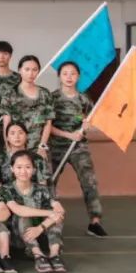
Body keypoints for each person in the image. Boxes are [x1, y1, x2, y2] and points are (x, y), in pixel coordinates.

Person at [49, 61, 107, 237]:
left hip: (78, 147)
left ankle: (95, 221)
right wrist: (68, 135)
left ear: (78, 76)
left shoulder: (84, 99)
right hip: (55, 146)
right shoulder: (51, 98)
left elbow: (90, 120)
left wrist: (88, 124)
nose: (69, 77)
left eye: (73, 73)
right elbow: (47, 126)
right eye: (65, 73)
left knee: (89, 181)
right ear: (59, 76)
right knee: (48, 182)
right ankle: (48, 219)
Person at [3, 151, 67, 273]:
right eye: (19, 167)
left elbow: (59, 210)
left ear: (33, 170)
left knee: (57, 219)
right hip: (18, 237)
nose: (23, 171)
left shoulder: (42, 189)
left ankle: (54, 255)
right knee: (23, 217)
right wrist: (49, 213)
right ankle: (38, 255)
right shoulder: (6, 189)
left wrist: (40, 227)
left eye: (28, 167)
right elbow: (19, 210)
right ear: (12, 169)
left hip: (40, 233)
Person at [0, 55, 54, 154]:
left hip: (39, 148)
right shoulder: (10, 93)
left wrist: (42, 147)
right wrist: (8, 146)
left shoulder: (45, 93)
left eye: (34, 70)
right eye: (27, 69)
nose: (31, 73)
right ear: (20, 70)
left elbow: (48, 123)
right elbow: (6, 124)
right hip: (17, 147)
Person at [0, 123, 50, 190]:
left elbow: (42, 184)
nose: (17, 137)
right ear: (7, 138)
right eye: (12, 133)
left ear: (26, 136)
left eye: (20, 133)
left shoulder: (37, 159)